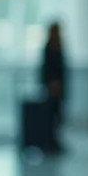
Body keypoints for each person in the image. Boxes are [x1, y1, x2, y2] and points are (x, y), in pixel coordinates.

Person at [39, 22, 67, 152]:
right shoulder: (49, 47)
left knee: (57, 116)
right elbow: (47, 69)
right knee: (50, 116)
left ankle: (55, 142)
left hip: (59, 88)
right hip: (52, 88)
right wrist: (51, 83)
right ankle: (49, 142)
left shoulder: (59, 46)